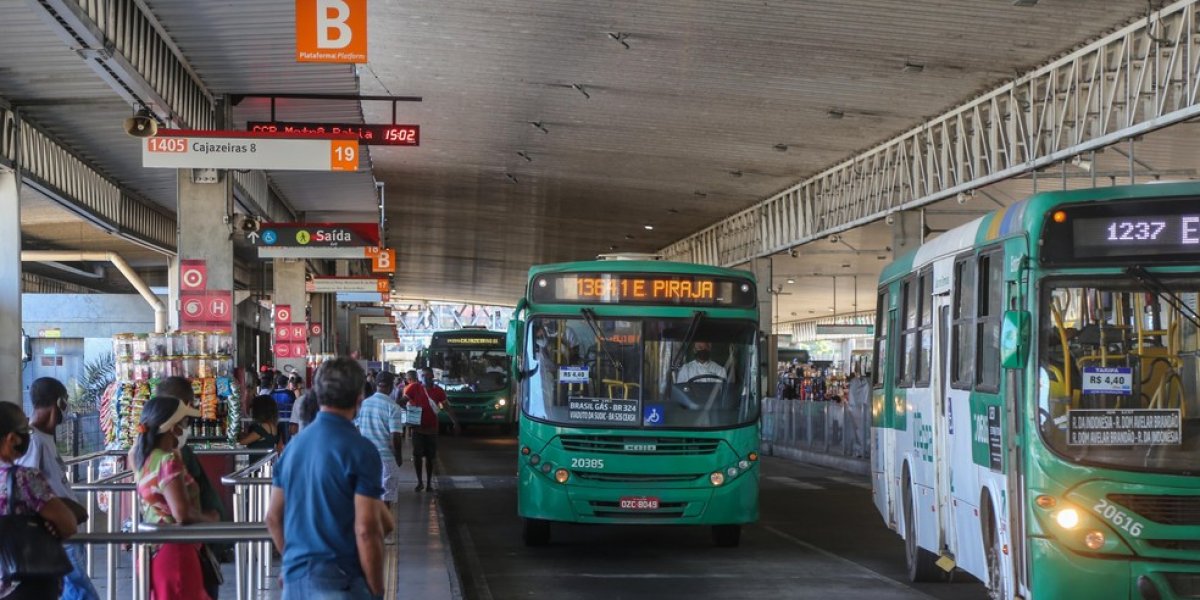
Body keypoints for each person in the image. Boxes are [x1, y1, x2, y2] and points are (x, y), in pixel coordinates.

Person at [266, 358, 393, 600]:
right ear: (359, 398)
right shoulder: (361, 449)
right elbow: (366, 529)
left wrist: (294, 565)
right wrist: (377, 590)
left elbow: (273, 518)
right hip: (341, 581)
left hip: (295, 583)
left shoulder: (293, 448)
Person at [15, 378, 99, 600]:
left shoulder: (45, 439)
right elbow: (27, 492)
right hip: (56, 535)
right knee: (83, 594)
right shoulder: (34, 442)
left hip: (65, 533)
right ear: (58, 404)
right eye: (65, 404)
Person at [128, 396, 215, 600]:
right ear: (173, 427)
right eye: (185, 423)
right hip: (177, 553)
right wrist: (211, 519)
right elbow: (181, 513)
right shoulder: (168, 461)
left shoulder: (145, 460)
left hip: (156, 553)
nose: (187, 429)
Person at [155, 377, 231, 595]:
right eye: (190, 404)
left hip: (190, 548)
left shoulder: (152, 452)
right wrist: (212, 518)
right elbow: (181, 512)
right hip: (186, 550)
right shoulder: (170, 456)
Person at [0, 402, 78, 599]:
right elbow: (67, 524)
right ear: (12, 439)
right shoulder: (23, 478)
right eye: (25, 430)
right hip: (23, 584)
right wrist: (46, 524)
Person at [403, 367, 460, 492]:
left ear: (433, 376)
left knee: (430, 457)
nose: (426, 378)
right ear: (420, 377)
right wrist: (405, 415)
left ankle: (428, 483)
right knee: (417, 456)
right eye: (424, 375)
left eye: (428, 376)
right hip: (418, 429)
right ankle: (419, 482)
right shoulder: (414, 388)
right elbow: (402, 401)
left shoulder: (438, 391)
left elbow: (446, 407)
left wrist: (455, 422)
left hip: (432, 430)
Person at [354, 372, 404, 506]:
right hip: (386, 460)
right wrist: (398, 456)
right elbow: (396, 436)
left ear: (376, 385)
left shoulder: (364, 404)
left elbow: (357, 429)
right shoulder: (393, 407)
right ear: (391, 387)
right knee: (385, 500)